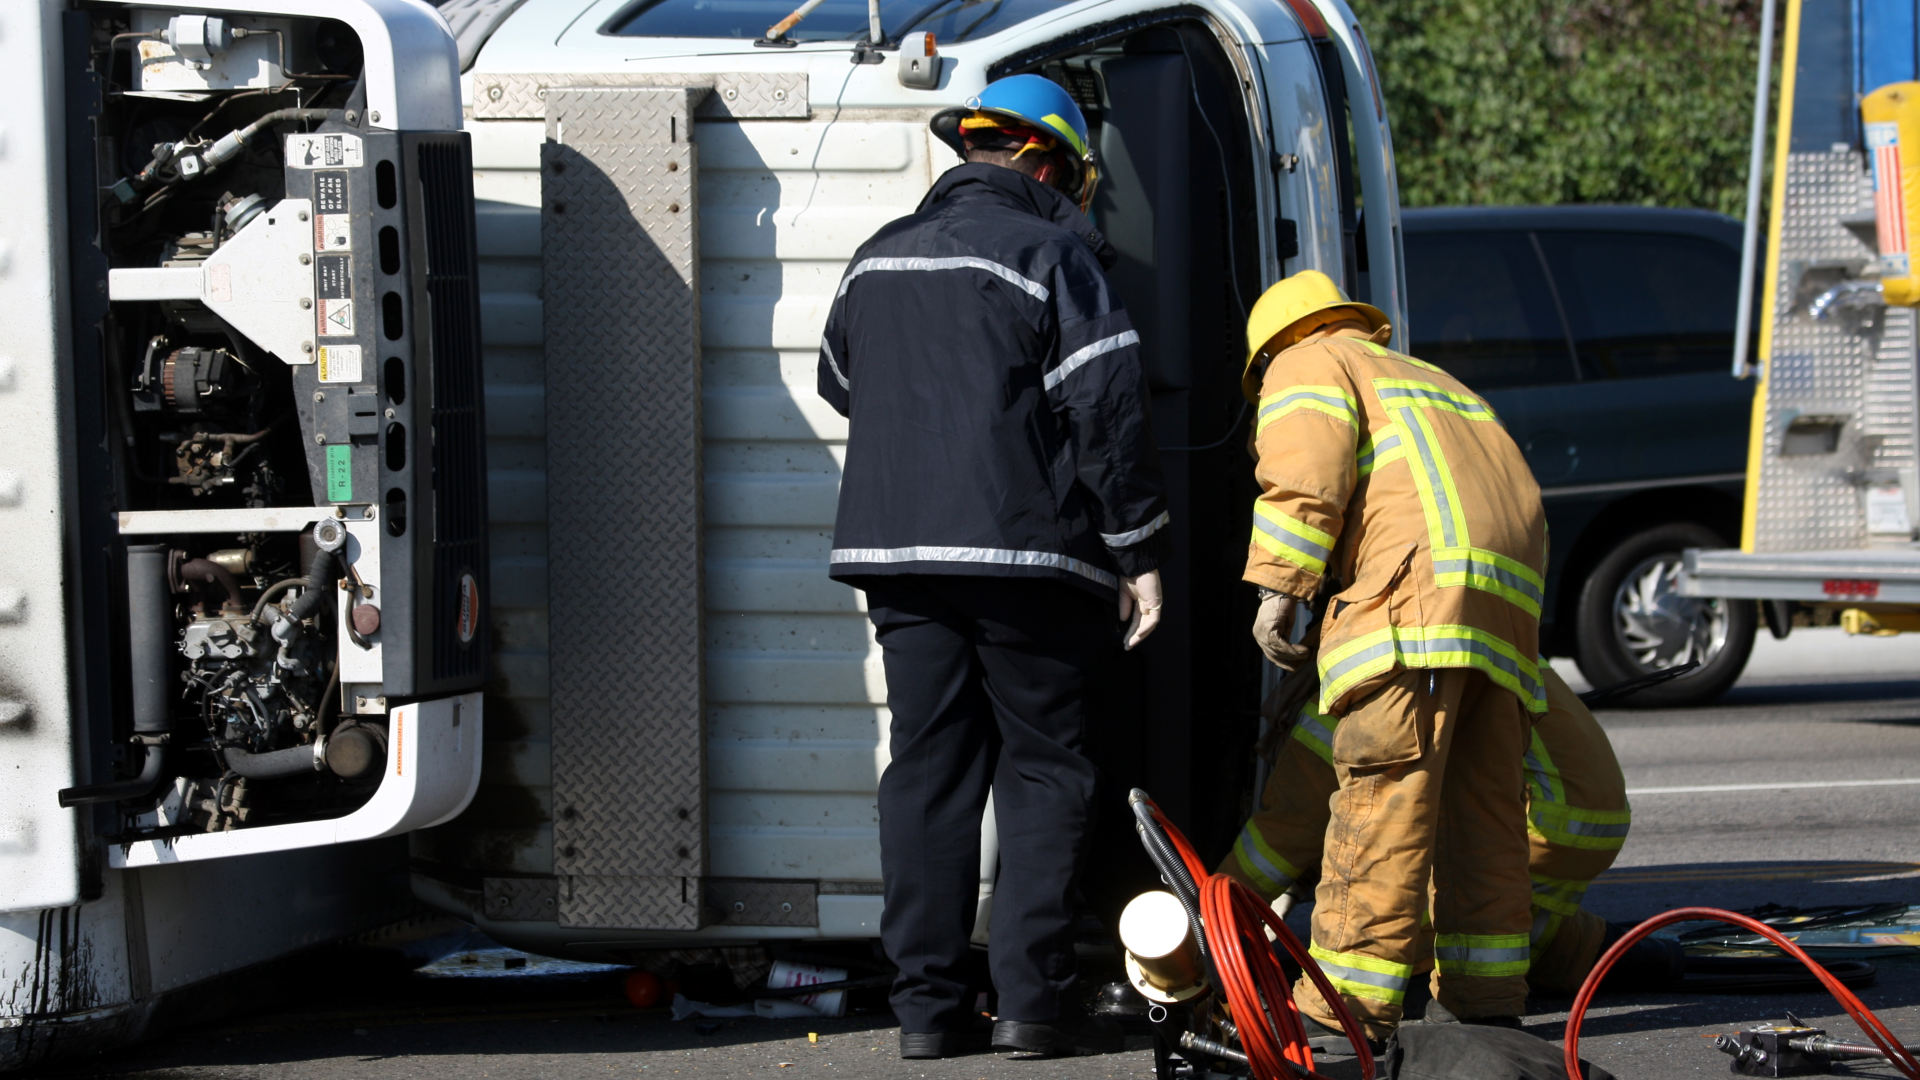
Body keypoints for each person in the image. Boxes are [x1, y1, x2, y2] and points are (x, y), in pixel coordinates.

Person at [817, 74, 1169, 1061]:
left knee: (928, 773)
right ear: (1049, 163)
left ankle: (926, 1014)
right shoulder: (1056, 255)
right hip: (1031, 558)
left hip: (897, 557)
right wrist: (1141, 553)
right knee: (1046, 772)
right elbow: (1109, 413)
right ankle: (1029, 1006)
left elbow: (840, 380)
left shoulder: (875, 258)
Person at [1238, 269, 1547, 1039]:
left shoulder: (1306, 361)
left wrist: (1281, 585)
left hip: (1412, 607)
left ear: (1275, 345)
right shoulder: (1432, 379)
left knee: (1383, 804)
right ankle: (1488, 1006)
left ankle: (1345, 1010)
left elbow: (1307, 467)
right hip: (1499, 618)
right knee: (1484, 814)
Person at [1219, 664, 1645, 1008]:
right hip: (1584, 817)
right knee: (1511, 926)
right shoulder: (1469, 630)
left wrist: (1207, 921)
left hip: (1544, 821)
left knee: (1380, 868)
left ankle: (1380, 995)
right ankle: (1611, 955)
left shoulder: (1353, 682)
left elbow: (1285, 832)